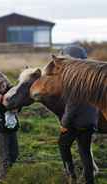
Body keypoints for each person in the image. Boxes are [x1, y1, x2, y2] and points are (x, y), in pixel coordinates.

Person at [58, 46, 98, 184]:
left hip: (76, 122)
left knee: (63, 144)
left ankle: (71, 175)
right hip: (91, 121)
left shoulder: (74, 76)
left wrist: (64, 124)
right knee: (85, 151)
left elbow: (71, 105)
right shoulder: (92, 74)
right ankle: (89, 181)